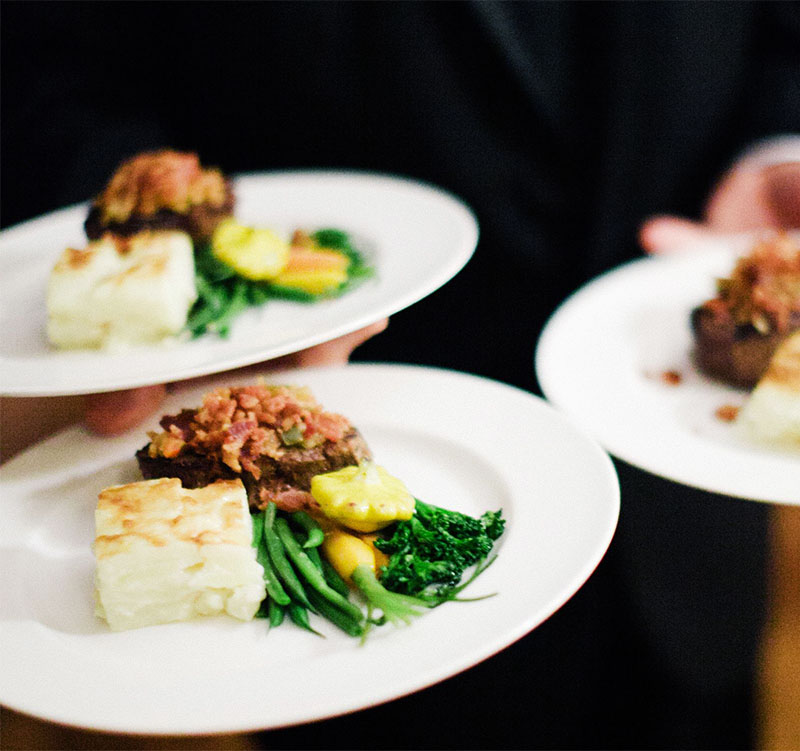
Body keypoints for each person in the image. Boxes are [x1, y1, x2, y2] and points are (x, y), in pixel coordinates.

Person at [1, 2, 799, 749]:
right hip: (348, 536)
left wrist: (778, 148)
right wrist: (151, 273)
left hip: (683, 474)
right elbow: (44, 68)